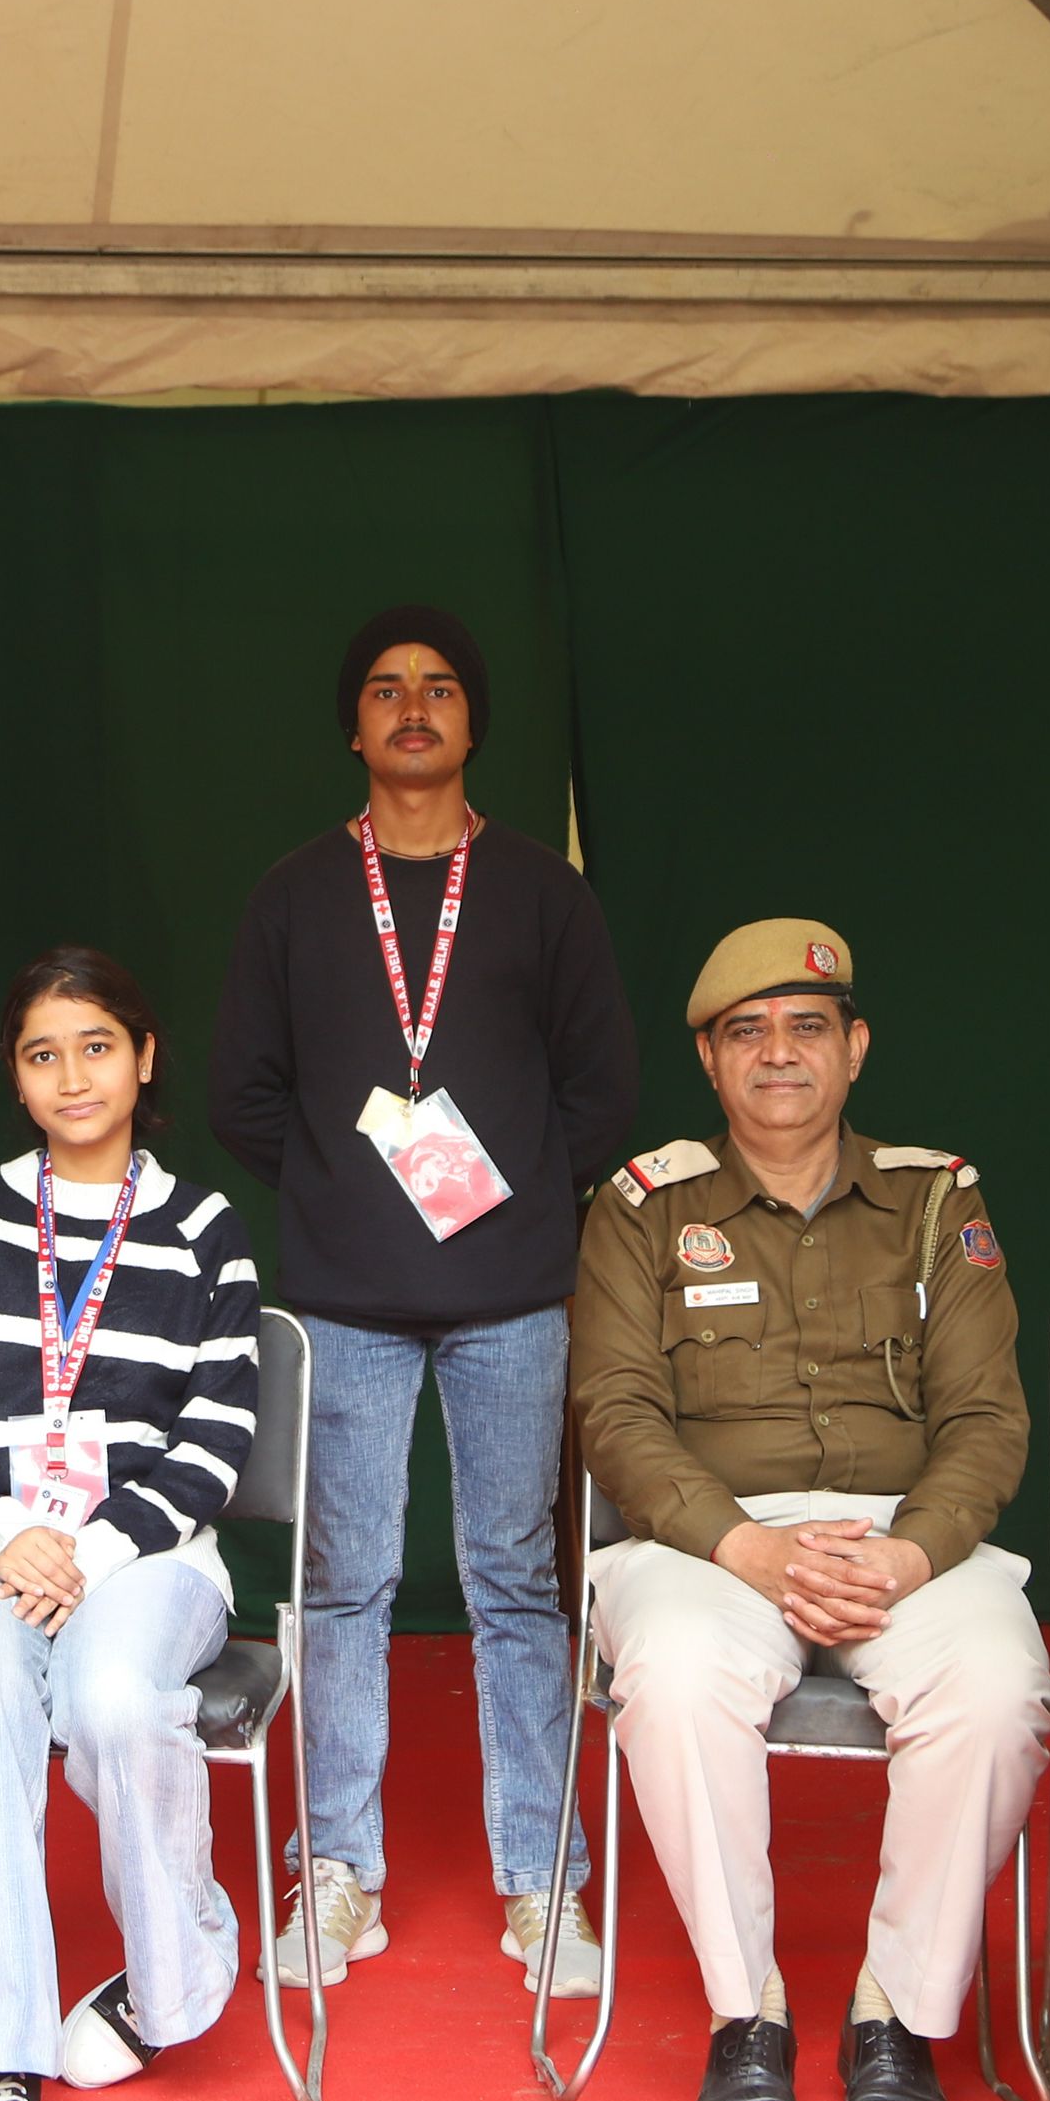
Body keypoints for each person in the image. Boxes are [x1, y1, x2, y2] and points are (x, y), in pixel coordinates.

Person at [566, 921, 1050, 2101]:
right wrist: (751, 1550)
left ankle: (897, 2011)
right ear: (710, 1060)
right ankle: (750, 2014)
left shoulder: (936, 1198)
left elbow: (988, 1418)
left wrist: (908, 1553)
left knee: (998, 1688)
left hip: (904, 1539)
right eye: (747, 1032)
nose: (777, 1053)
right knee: (674, 1679)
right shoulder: (642, 1208)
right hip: (708, 1547)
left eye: (806, 1027)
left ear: (856, 1047)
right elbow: (615, 1416)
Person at [210, 607, 636, 1997]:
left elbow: (602, 1092)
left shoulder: (541, 893)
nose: (412, 706)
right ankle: (339, 1870)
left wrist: (509, 1196)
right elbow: (242, 1095)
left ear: (471, 722)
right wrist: (347, 1186)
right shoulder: (292, 894)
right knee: (342, 1585)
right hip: (345, 1297)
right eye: (385, 689)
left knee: (516, 1581)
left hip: (513, 1292)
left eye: (439, 687)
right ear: (353, 727)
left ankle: (542, 1879)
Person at [0, 948, 265, 2101]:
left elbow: (216, 1439)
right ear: (17, 1077)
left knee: (109, 1699)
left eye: (97, 1045)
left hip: (150, 1554)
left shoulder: (204, 1229)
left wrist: (92, 1548)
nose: (73, 1075)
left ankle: (170, 1974)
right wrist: (6, 1531)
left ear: (145, 1057)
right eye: (43, 1054)